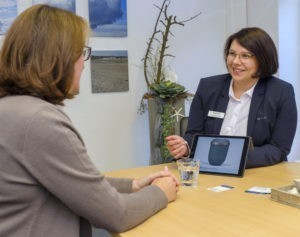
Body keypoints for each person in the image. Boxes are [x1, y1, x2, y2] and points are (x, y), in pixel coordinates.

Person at [0, 5, 179, 237]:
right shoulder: (40, 122)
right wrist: (161, 192)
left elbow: (72, 183)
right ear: (58, 57)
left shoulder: (11, 109)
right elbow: (116, 215)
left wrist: (133, 185)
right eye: (81, 52)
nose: (84, 63)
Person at [167, 27, 297, 168]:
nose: (235, 61)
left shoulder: (281, 92)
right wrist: (185, 146)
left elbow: (278, 149)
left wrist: (233, 157)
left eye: (245, 56)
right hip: (209, 170)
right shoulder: (208, 87)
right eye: (232, 54)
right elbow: (194, 134)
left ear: (263, 58)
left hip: (256, 173)